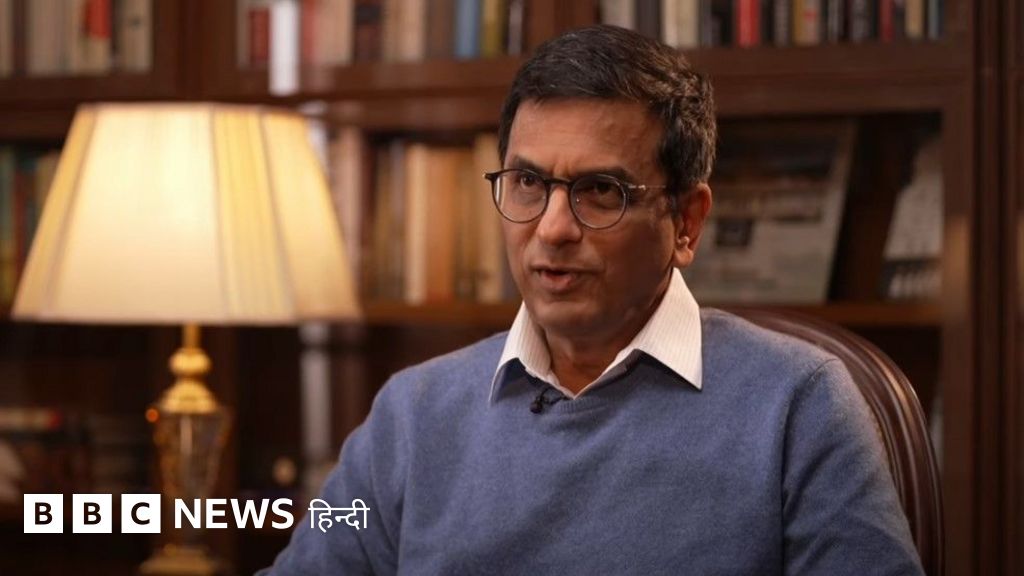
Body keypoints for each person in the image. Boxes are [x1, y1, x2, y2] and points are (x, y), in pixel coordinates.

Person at [260, 25, 924, 575]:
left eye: (600, 191)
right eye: (528, 183)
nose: (552, 228)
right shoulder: (411, 413)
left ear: (687, 223)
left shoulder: (800, 404)